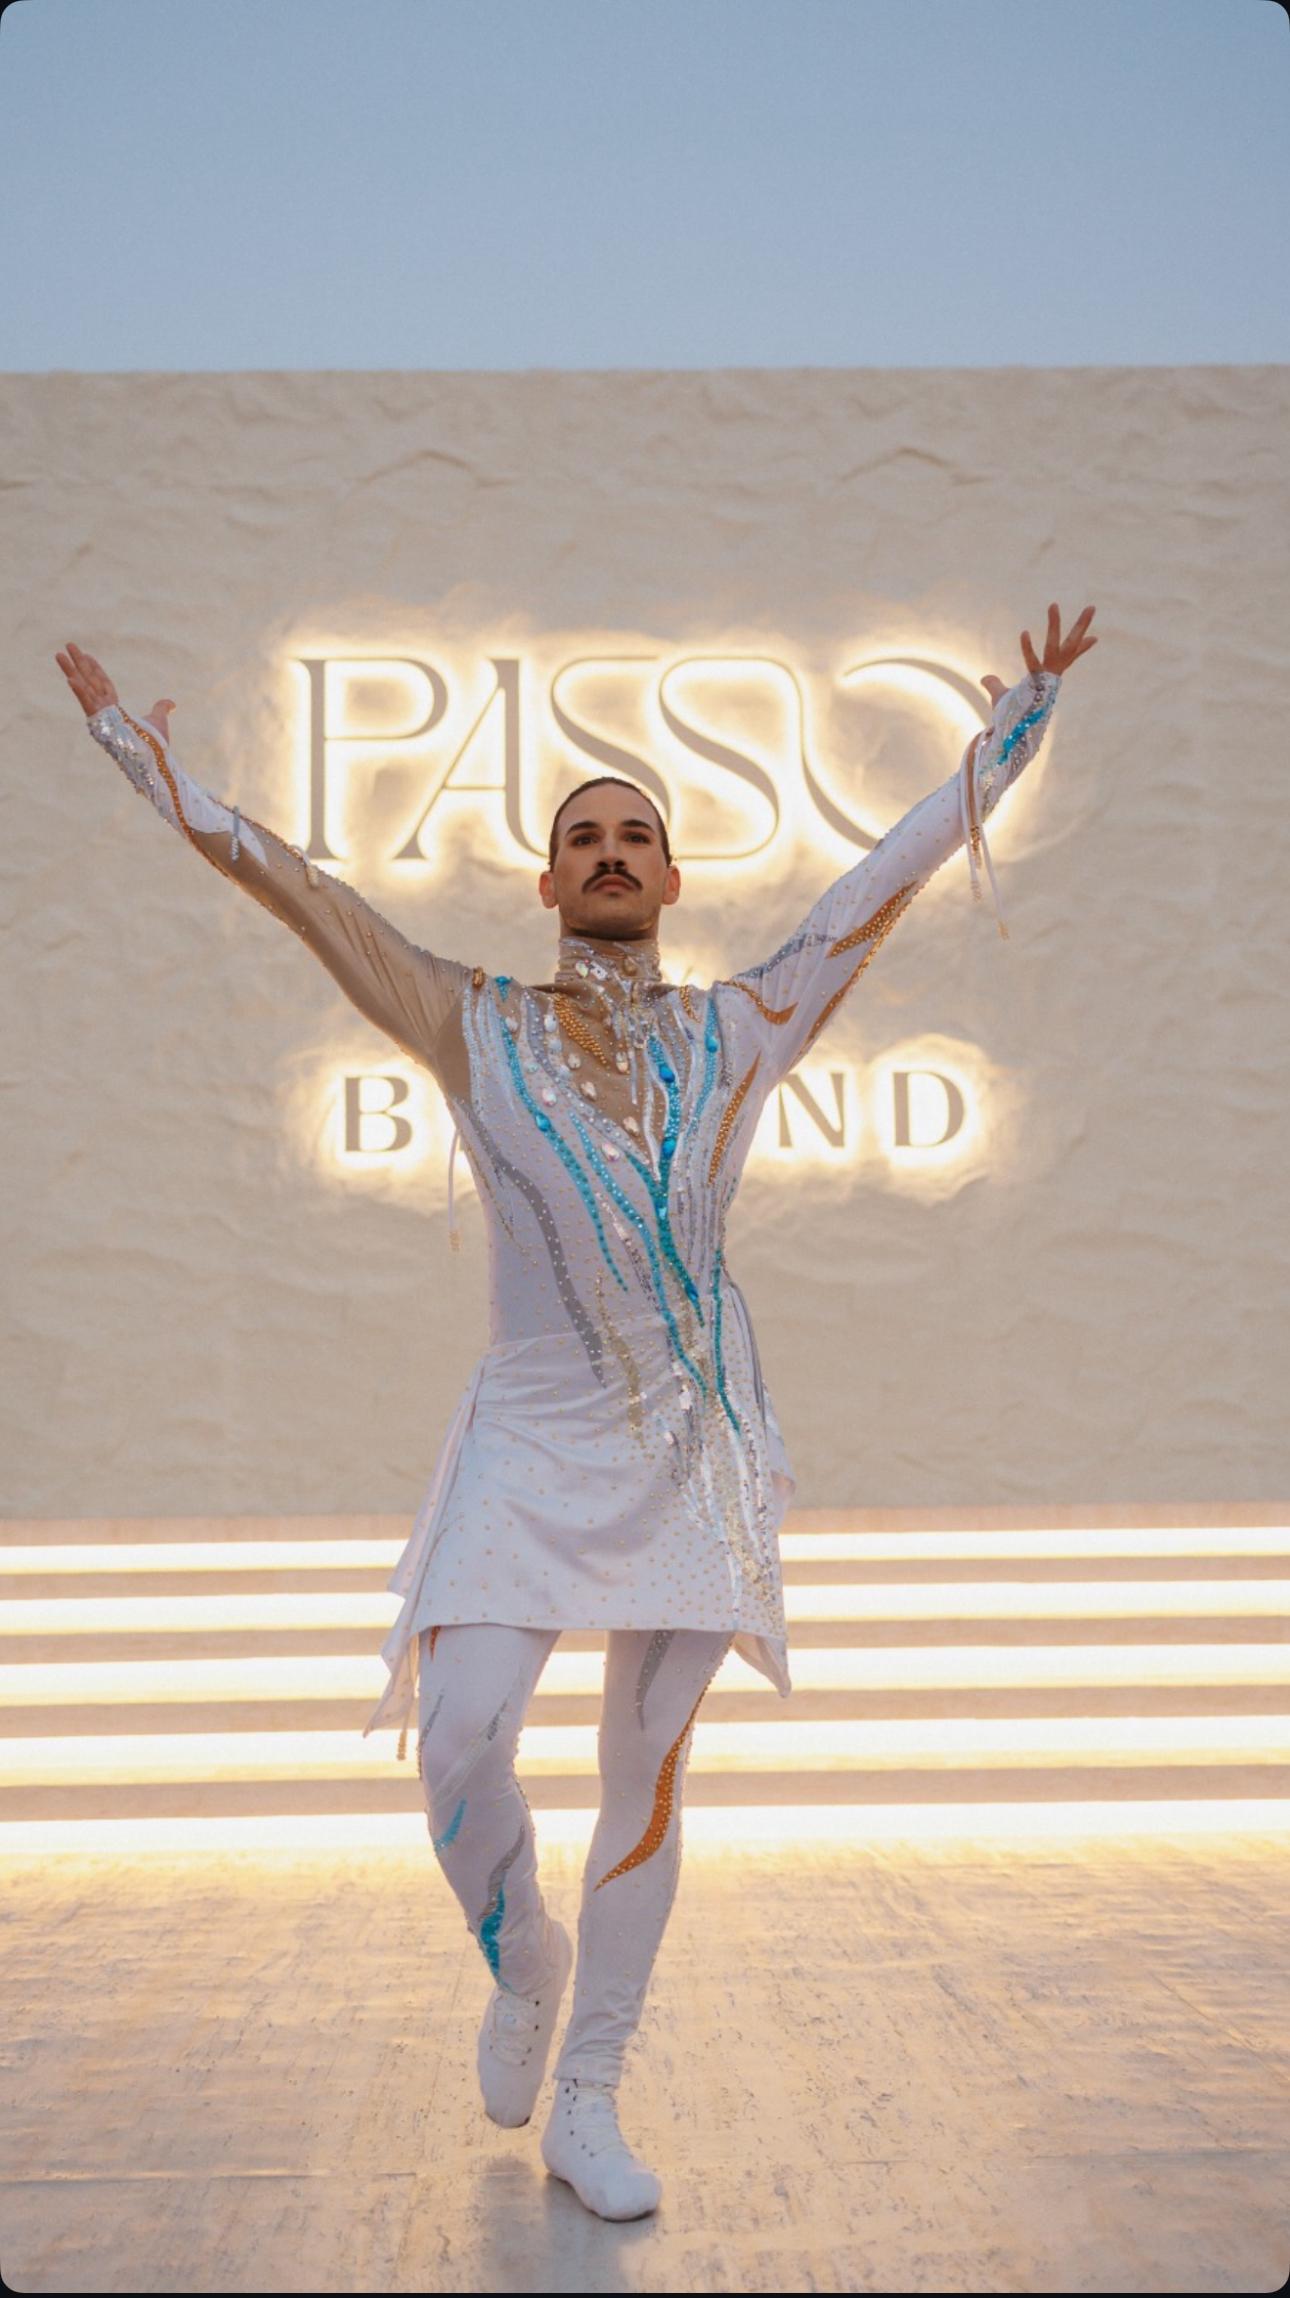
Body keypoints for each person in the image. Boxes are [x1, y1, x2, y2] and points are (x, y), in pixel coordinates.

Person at [55, 602, 1097, 2220]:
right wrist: (145, 759)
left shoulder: (740, 1027)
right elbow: (306, 894)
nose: (610, 853)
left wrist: (1011, 734)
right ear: (546, 885)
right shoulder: (468, 1018)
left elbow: (873, 885)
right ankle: (522, 1955)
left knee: (645, 1766)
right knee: (460, 1734)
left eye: (635, 837)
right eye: (583, 839)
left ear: (671, 879)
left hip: (691, 1438)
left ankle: (591, 2091)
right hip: (531, 1430)